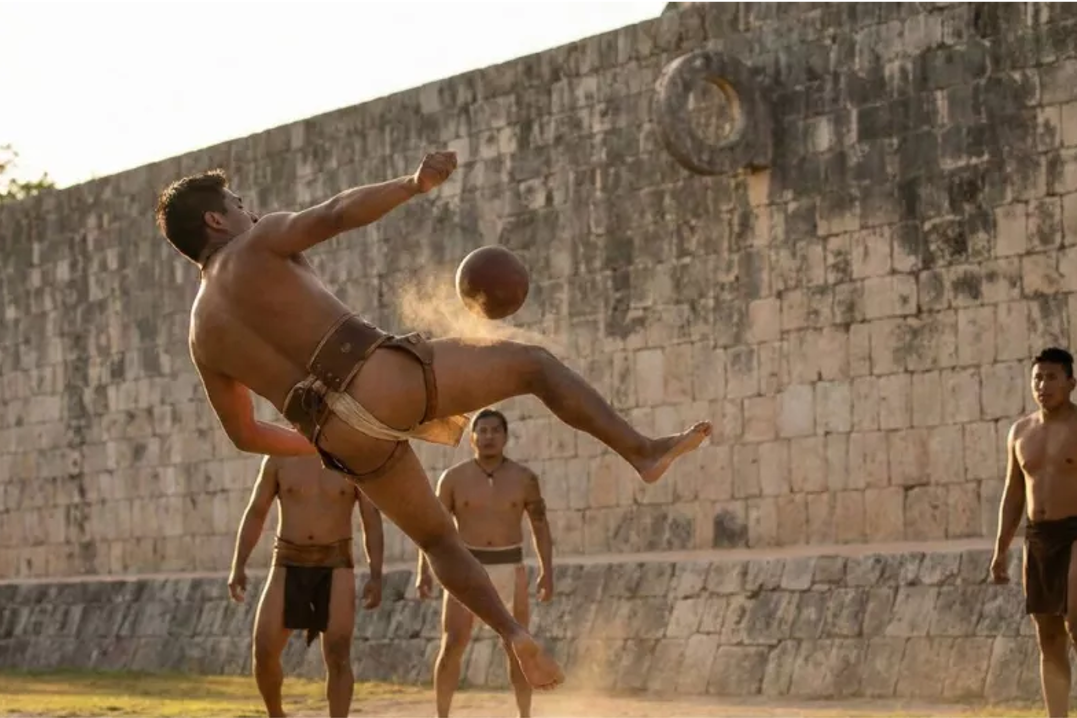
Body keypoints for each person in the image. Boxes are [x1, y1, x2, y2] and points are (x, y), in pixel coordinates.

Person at [154, 151, 712, 690]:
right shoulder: (258, 242)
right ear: (214, 218)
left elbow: (244, 434)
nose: (248, 209)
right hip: (376, 377)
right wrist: (413, 184)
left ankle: (512, 633)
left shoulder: (201, 335)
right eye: (238, 202)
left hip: (340, 440)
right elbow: (333, 214)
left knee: (440, 543)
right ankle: (641, 451)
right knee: (534, 366)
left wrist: (320, 450)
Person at [989, 347, 1077, 718]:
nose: (1043, 384)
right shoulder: (1019, 432)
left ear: (1071, 382)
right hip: (1038, 538)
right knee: (1048, 638)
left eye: (1052, 377)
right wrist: (1000, 549)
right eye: (1037, 377)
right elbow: (1013, 494)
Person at [416, 409, 553, 718]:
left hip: (510, 566)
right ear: (472, 437)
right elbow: (432, 530)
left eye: (495, 431)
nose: (489, 436)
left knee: (518, 647)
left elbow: (540, 526)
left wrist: (547, 571)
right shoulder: (452, 479)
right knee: (452, 644)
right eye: (483, 431)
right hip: (466, 570)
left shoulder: (524, 479)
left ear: (505, 437)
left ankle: (525, 715)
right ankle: (442, 716)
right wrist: (423, 572)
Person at [228, 454, 385, 718]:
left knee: (338, 653)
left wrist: (376, 573)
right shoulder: (277, 458)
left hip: (336, 563)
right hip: (288, 560)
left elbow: (371, 517)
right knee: (264, 649)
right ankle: (276, 714)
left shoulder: (352, 455)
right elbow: (256, 511)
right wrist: (238, 565)